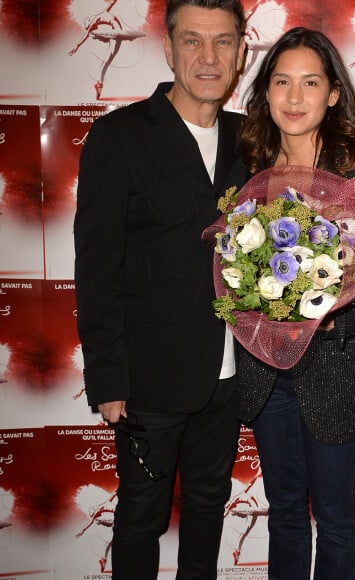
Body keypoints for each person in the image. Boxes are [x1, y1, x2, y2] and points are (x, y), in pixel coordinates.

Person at [73, 1, 248, 578]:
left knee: (207, 511)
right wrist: (107, 377)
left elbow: (328, 165)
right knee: (141, 519)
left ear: (241, 53)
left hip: (230, 379)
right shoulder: (118, 136)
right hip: (148, 381)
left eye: (223, 42)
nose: (208, 57)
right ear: (169, 48)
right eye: (193, 41)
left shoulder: (252, 140)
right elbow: (97, 268)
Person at [236, 27, 355, 579]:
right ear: (266, 92)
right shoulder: (247, 170)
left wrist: (328, 323)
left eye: (310, 83)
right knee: (284, 512)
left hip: (336, 368)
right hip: (266, 374)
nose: (294, 96)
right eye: (281, 82)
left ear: (333, 94)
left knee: (333, 516)